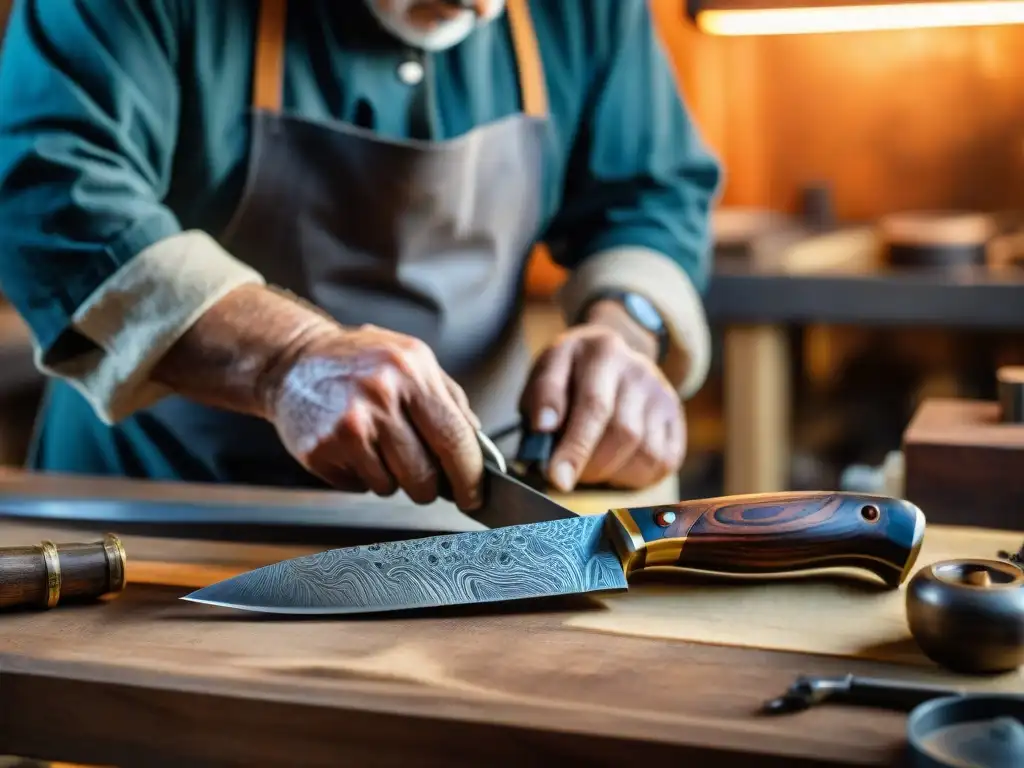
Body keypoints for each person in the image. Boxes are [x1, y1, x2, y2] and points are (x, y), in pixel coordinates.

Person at [0, 0, 721, 515]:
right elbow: (50, 192)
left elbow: (650, 194)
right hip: (160, 507)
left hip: (464, 520)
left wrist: (625, 333)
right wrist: (289, 358)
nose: (478, 8)